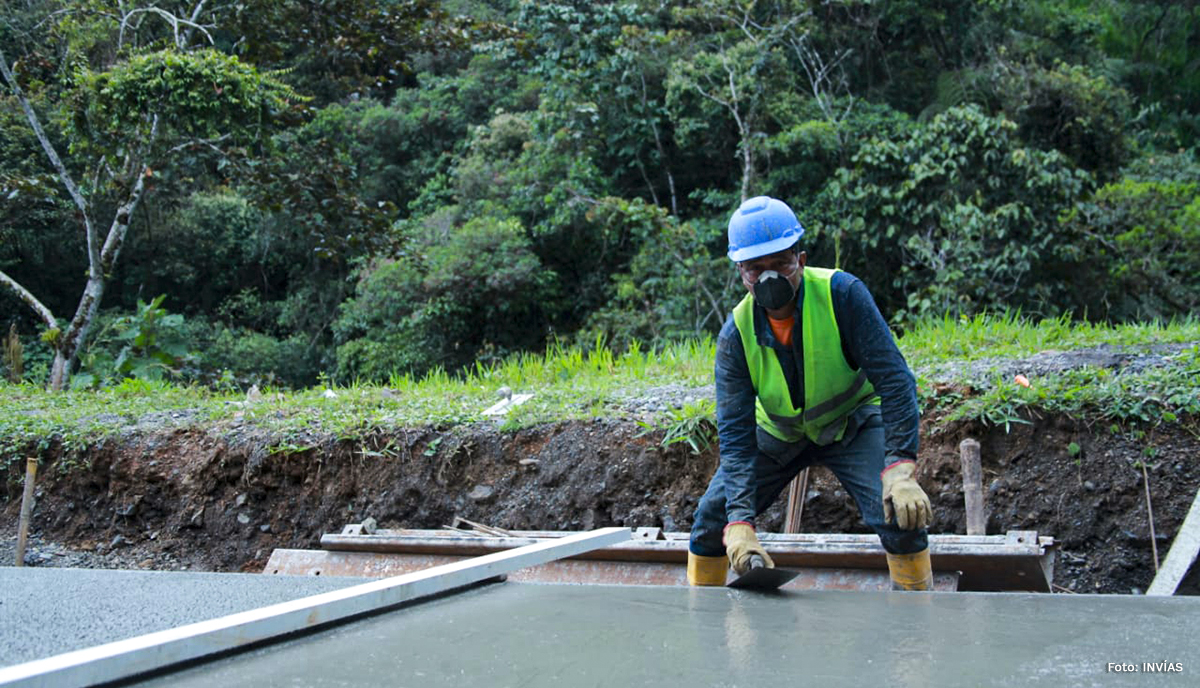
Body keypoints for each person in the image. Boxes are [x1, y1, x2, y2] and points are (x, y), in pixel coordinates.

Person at [687, 196, 934, 590]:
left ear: (800, 260)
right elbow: (735, 435)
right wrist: (739, 523)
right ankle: (705, 625)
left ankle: (915, 628)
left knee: (898, 517)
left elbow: (895, 380)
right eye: (756, 269)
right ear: (741, 273)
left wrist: (900, 467)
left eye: (781, 265)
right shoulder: (736, 334)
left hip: (851, 423)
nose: (769, 279)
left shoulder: (842, 294)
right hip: (779, 434)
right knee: (710, 523)